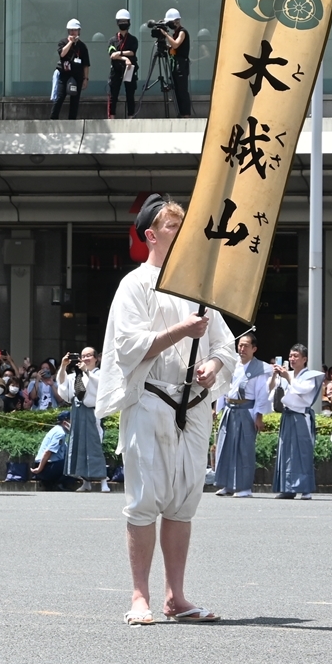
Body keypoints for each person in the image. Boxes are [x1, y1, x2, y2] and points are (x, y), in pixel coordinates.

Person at [95, 195, 232, 624]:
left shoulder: (199, 287)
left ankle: (177, 596)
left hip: (194, 404)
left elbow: (225, 344)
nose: (182, 233)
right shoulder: (135, 284)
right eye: (173, 226)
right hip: (151, 399)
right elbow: (128, 345)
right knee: (144, 499)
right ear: (151, 236)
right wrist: (181, 330)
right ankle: (140, 596)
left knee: (183, 501)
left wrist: (213, 365)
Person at [212, 331, 270, 498]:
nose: (242, 349)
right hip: (229, 409)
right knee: (225, 446)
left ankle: (244, 487)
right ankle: (226, 484)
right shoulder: (232, 364)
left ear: (254, 349)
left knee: (244, 449)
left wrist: (259, 416)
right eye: (240, 345)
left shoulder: (259, 368)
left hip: (246, 410)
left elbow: (262, 394)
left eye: (246, 346)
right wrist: (217, 408)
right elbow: (223, 386)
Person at [269, 344, 325, 499]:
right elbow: (272, 391)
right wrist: (275, 376)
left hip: (301, 416)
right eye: (290, 356)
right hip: (287, 415)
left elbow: (302, 390)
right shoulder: (287, 374)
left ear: (304, 359)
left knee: (302, 452)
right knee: (286, 452)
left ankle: (305, 489)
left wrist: (287, 377)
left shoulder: (311, 376)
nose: (292, 359)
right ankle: (288, 488)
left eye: (296, 356)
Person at [56, 346, 109, 492]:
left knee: (94, 445)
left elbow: (101, 388)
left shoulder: (100, 374)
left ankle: (103, 481)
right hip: (77, 412)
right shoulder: (76, 374)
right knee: (79, 446)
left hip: (92, 413)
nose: (85, 358)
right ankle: (85, 482)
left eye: (88, 356)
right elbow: (63, 385)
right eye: (83, 356)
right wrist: (63, 366)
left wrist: (87, 372)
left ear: (96, 358)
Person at [29, 412, 83, 491]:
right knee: (73, 463)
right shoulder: (60, 433)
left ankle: (50, 483)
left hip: (47, 466)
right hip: (46, 467)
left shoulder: (58, 430)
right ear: (65, 423)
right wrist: (39, 468)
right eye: (71, 420)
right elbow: (48, 452)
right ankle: (60, 484)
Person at [51, 18, 89, 119]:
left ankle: (72, 121)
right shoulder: (63, 42)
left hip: (77, 77)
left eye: (75, 30)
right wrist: (70, 43)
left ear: (79, 31)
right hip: (64, 75)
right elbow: (62, 54)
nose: (73, 32)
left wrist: (85, 78)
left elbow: (86, 64)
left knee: (75, 101)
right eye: (71, 30)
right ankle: (53, 119)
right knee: (59, 98)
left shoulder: (82, 46)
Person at [158, 8, 192, 116]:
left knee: (182, 90)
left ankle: (185, 114)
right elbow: (174, 48)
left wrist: (166, 34)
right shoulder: (175, 33)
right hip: (175, 64)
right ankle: (180, 113)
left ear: (176, 21)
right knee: (176, 90)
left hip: (181, 65)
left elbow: (176, 44)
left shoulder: (182, 32)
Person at [107, 9, 138, 118]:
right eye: (121, 21)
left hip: (129, 69)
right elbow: (112, 55)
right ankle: (112, 116)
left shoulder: (133, 39)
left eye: (125, 21)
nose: (123, 23)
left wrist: (119, 53)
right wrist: (125, 58)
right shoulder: (112, 40)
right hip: (116, 70)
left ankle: (131, 116)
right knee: (113, 94)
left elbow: (132, 52)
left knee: (130, 93)